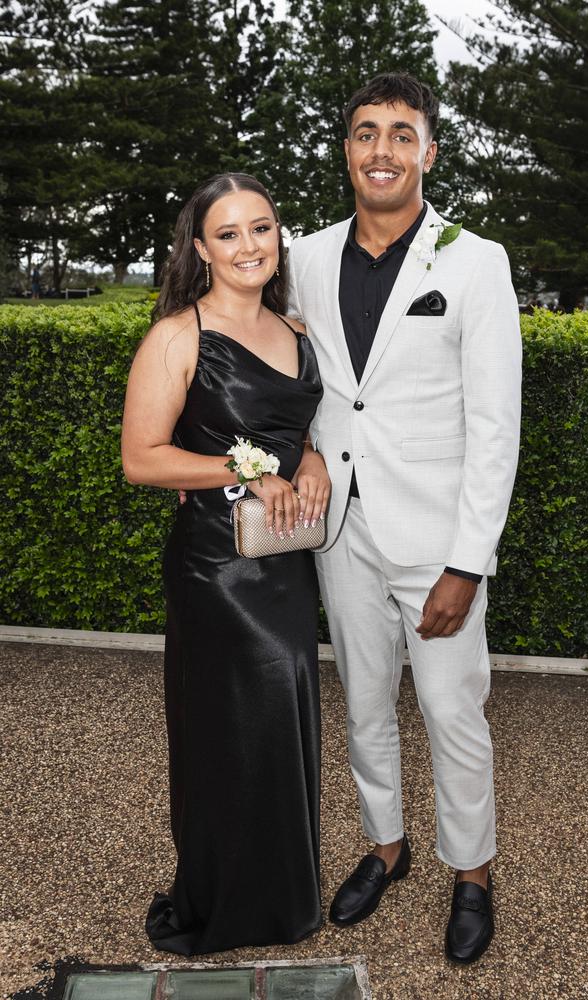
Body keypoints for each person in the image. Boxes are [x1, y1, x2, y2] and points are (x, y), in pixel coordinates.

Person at [287, 73, 522, 964]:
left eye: (399, 133)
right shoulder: (305, 255)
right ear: (345, 150)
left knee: (452, 710)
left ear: (428, 149)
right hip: (339, 530)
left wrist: (470, 561)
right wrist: (302, 450)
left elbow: (495, 426)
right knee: (363, 706)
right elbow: (299, 377)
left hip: (438, 542)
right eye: (363, 133)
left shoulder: (475, 260)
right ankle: (386, 848)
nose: (380, 149)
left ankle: (472, 872)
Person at [121, 173, 330, 955]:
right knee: (228, 731)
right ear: (201, 248)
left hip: (282, 563)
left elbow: (297, 429)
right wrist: (244, 472)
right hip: (217, 570)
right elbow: (142, 460)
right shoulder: (180, 334)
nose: (250, 246)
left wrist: (310, 463)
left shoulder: (298, 331)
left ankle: (281, 898)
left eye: (263, 228)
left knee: (286, 719)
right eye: (230, 233)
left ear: (280, 237)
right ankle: (224, 898)